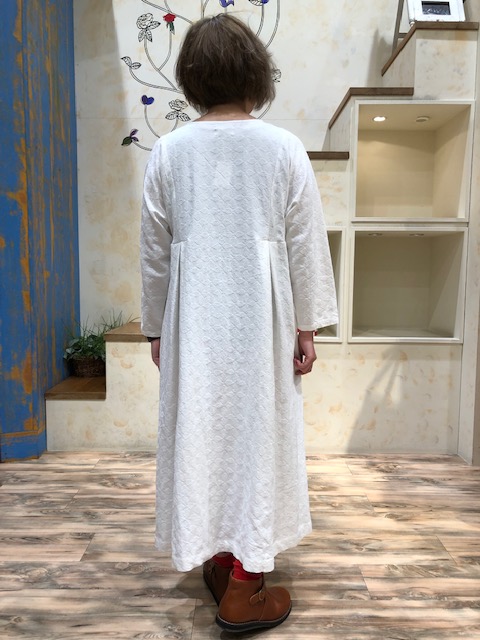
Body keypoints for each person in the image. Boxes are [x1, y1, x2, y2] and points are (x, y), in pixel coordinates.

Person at [140, 13, 338, 633]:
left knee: (204, 429)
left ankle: (223, 559)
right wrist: (308, 327)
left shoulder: (169, 151)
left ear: (191, 78)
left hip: (194, 321)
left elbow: (154, 251)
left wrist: (156, 329)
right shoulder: (282, 147)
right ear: (256, 73)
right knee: (259, 432)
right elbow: (306, 244)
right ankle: (244, 586)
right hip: (263, 320)